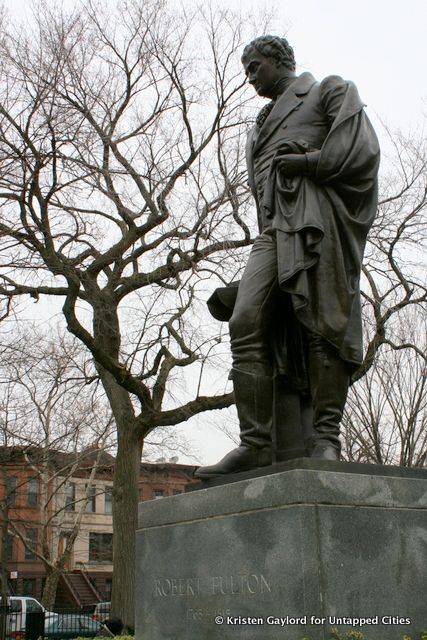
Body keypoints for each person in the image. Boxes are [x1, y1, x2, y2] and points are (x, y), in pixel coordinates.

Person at [194, 35, 380, 479]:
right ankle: (256, 444)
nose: (250, 76)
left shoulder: (327, 90)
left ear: (280, 61)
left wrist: (310, 163)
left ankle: (325, 439)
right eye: (246, 69)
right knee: (244, 321)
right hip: (274, 233)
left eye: (255, 66)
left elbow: (362, 151)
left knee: (322, 326)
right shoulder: (259, 124)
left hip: (318, 227)